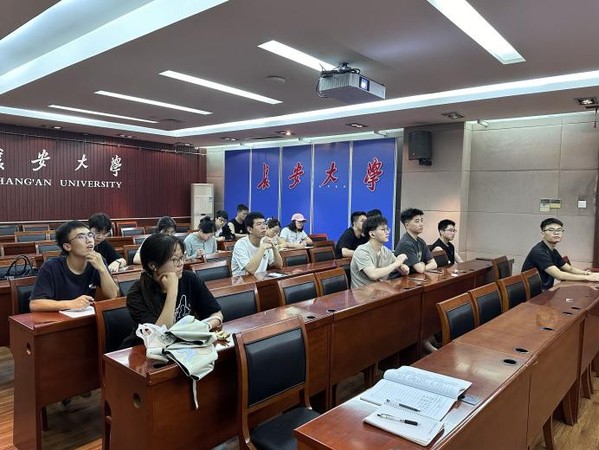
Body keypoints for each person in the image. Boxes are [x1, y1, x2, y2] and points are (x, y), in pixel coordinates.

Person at [126, 234, 223, 331]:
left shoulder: (190, 279)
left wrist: (203, 327)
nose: (181, 263)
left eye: (181, 257)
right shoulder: (136, 294)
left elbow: (216, 314)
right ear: (153, 265)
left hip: (188, 339)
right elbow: (159, 335)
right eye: (174, 259)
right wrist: (172, 291)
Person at [29, 221, 119, 311]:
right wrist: (71, 304)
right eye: (81, 237)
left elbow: (113, 295)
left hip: (84, 316)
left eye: (90, 235)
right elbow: (35, 304)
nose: (89, 240)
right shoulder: (51, 267)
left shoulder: (97, 261)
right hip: (57, 317)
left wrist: (102, 269)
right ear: (67, 246)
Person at [522, 218, 599, 291]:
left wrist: (588, 273)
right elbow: (559, 275)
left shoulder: (553, 251)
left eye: (559, 230)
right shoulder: (539, 252)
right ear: (543, 234)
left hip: (546, 291)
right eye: (551, 230)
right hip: (535, 295)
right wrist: (588, 278)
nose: (556, 233)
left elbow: (570, 269)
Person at [350, 216, 409, 288]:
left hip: (380, 290)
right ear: (372, 234)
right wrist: (397, 263)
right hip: (362, 292)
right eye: (383, 229)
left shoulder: (385, 250)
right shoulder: (362, 251)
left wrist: (404, 269)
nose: (387, 232)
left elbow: (400, 268)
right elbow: (373, 275)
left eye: (387, 229)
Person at [395, 208, 437, 273]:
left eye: (421, 221)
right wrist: (423, 266)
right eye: (417, 221)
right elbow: (420, 270)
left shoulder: (421, 241)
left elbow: (434, 264)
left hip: (415, 276)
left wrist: (424, 267)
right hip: (400, 278)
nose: (421, 224)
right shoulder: (405, 243)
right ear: (407, 225)